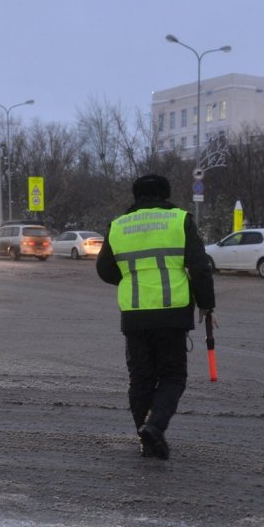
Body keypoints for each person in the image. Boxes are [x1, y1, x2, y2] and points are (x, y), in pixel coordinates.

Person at [96, 174, 216, 460]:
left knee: (141, 380)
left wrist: (133, 278)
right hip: (173, 314)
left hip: (135, 315)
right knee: (173, 376)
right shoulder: (179, 220)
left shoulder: (118, 226)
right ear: (166, 193)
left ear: (136, 195)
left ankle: (145, 436)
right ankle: (155, 426)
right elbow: (200, 268)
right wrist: (206, 304)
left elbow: (104, 270)